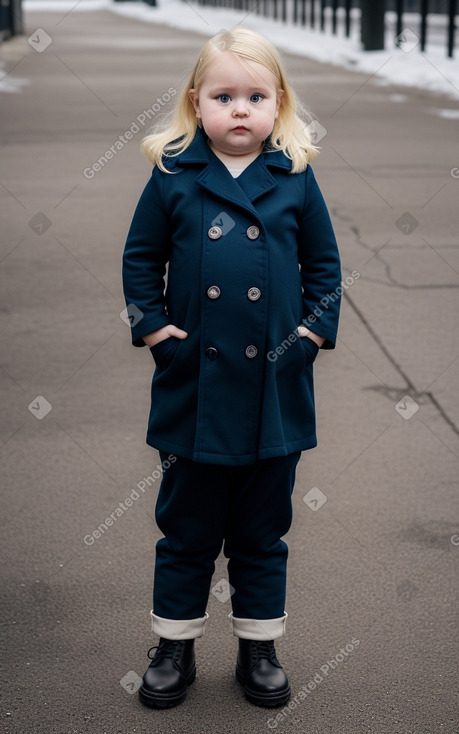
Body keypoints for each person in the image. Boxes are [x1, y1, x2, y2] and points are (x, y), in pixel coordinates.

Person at [122, 26, 341, 710]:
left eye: (255, 96)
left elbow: (325, 267)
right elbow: (139, 259)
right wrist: (157, 330)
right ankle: (173, 646)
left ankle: (258, 646)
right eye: (223, 96)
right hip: (194, 385)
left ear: (278, 104)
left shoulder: (295, 176)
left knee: (260, 531)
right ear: (196, 103)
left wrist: (307, 334)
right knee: (185, 529)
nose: (239, 109)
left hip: (274, 388)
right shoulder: (174, 175)